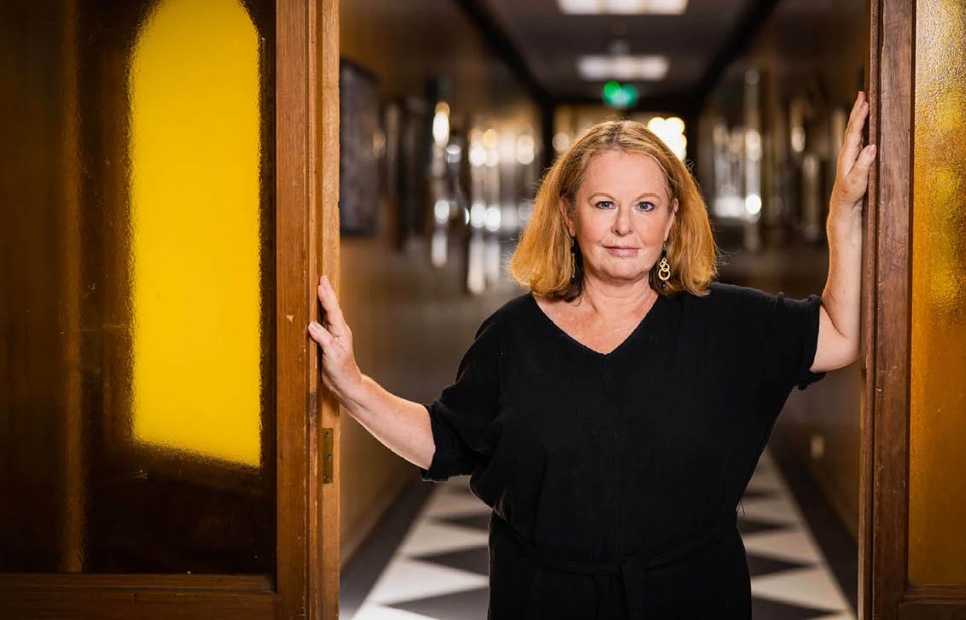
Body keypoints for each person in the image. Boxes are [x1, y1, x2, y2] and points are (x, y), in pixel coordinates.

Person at [308, 93, 875, 619]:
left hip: (694, 596)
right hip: (542, 598)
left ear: (672, 218)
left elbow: (839, 335)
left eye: (646, 205)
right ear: (568, 214)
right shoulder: (513, 337)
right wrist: (353, 384)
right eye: (604, 204)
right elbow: (444, 441)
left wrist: (842, 214)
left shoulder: (728, 323)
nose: (625, 226)